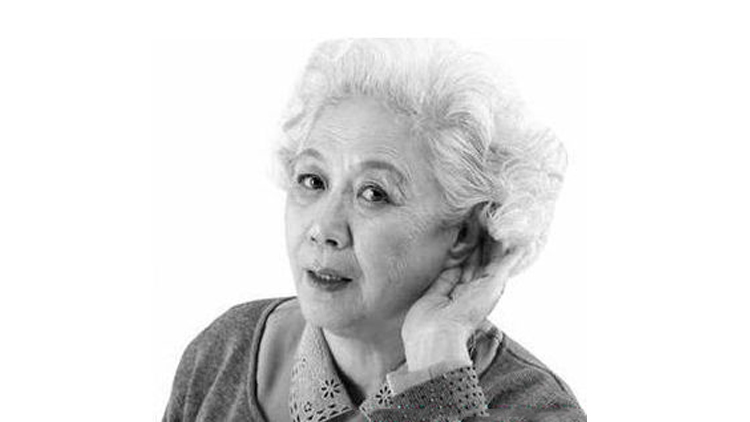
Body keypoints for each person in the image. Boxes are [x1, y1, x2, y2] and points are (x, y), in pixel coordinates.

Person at [162, 39, 585, 422]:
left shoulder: (536, 409)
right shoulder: (225, 352)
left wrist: (437, 378)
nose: (324, 228)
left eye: (374, 194)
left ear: (464, 236)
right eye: (312, 180)